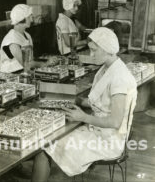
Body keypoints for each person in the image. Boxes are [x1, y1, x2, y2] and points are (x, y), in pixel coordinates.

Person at [32, 27, 137, 181]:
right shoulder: (108, 68)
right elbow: (102, 104)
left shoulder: (119, 77)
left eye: (94, 50)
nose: (91, 55)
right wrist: (77, 100)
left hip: (108, 141)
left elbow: (115, 122)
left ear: (107, 49)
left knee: (44, 148)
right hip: (98, 131)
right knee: (49, 141)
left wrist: (83, 117)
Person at [0, 4, 34, 73]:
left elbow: (29, 62)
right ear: (22, 19)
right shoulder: (12, 40)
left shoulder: (27, 35)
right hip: (10, 76)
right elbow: (23, 64)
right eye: (30, 16)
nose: (32, 19)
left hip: (23, 72)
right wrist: (44, 64)